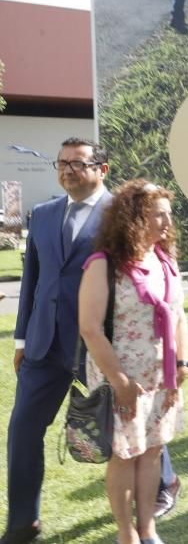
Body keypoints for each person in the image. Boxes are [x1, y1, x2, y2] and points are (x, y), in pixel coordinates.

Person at [5, 138, 113, 544]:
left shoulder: (121, 214)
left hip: (99, 343)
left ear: (102, 169)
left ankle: (162, 483)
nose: (68, 170)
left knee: (120, 422)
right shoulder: (45, 214)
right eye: (63, 163)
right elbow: (33, 279)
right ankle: (22, 523)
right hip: (44, 345)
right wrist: (20, 339)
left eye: (79, 163)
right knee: (23, 429)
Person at [78, 180, 188, 544]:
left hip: (161, 379)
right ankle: (126, 534)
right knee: (125, 456)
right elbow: (90, 329)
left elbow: (179, 316)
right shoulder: (103, 265)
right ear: (133, 217)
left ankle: (148, 529)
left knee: (153, 451)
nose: (166, 222)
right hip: (120, 380)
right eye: (158, 214)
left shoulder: (165, 260)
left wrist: (181, 366)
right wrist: (121, 383)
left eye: (168, 215)